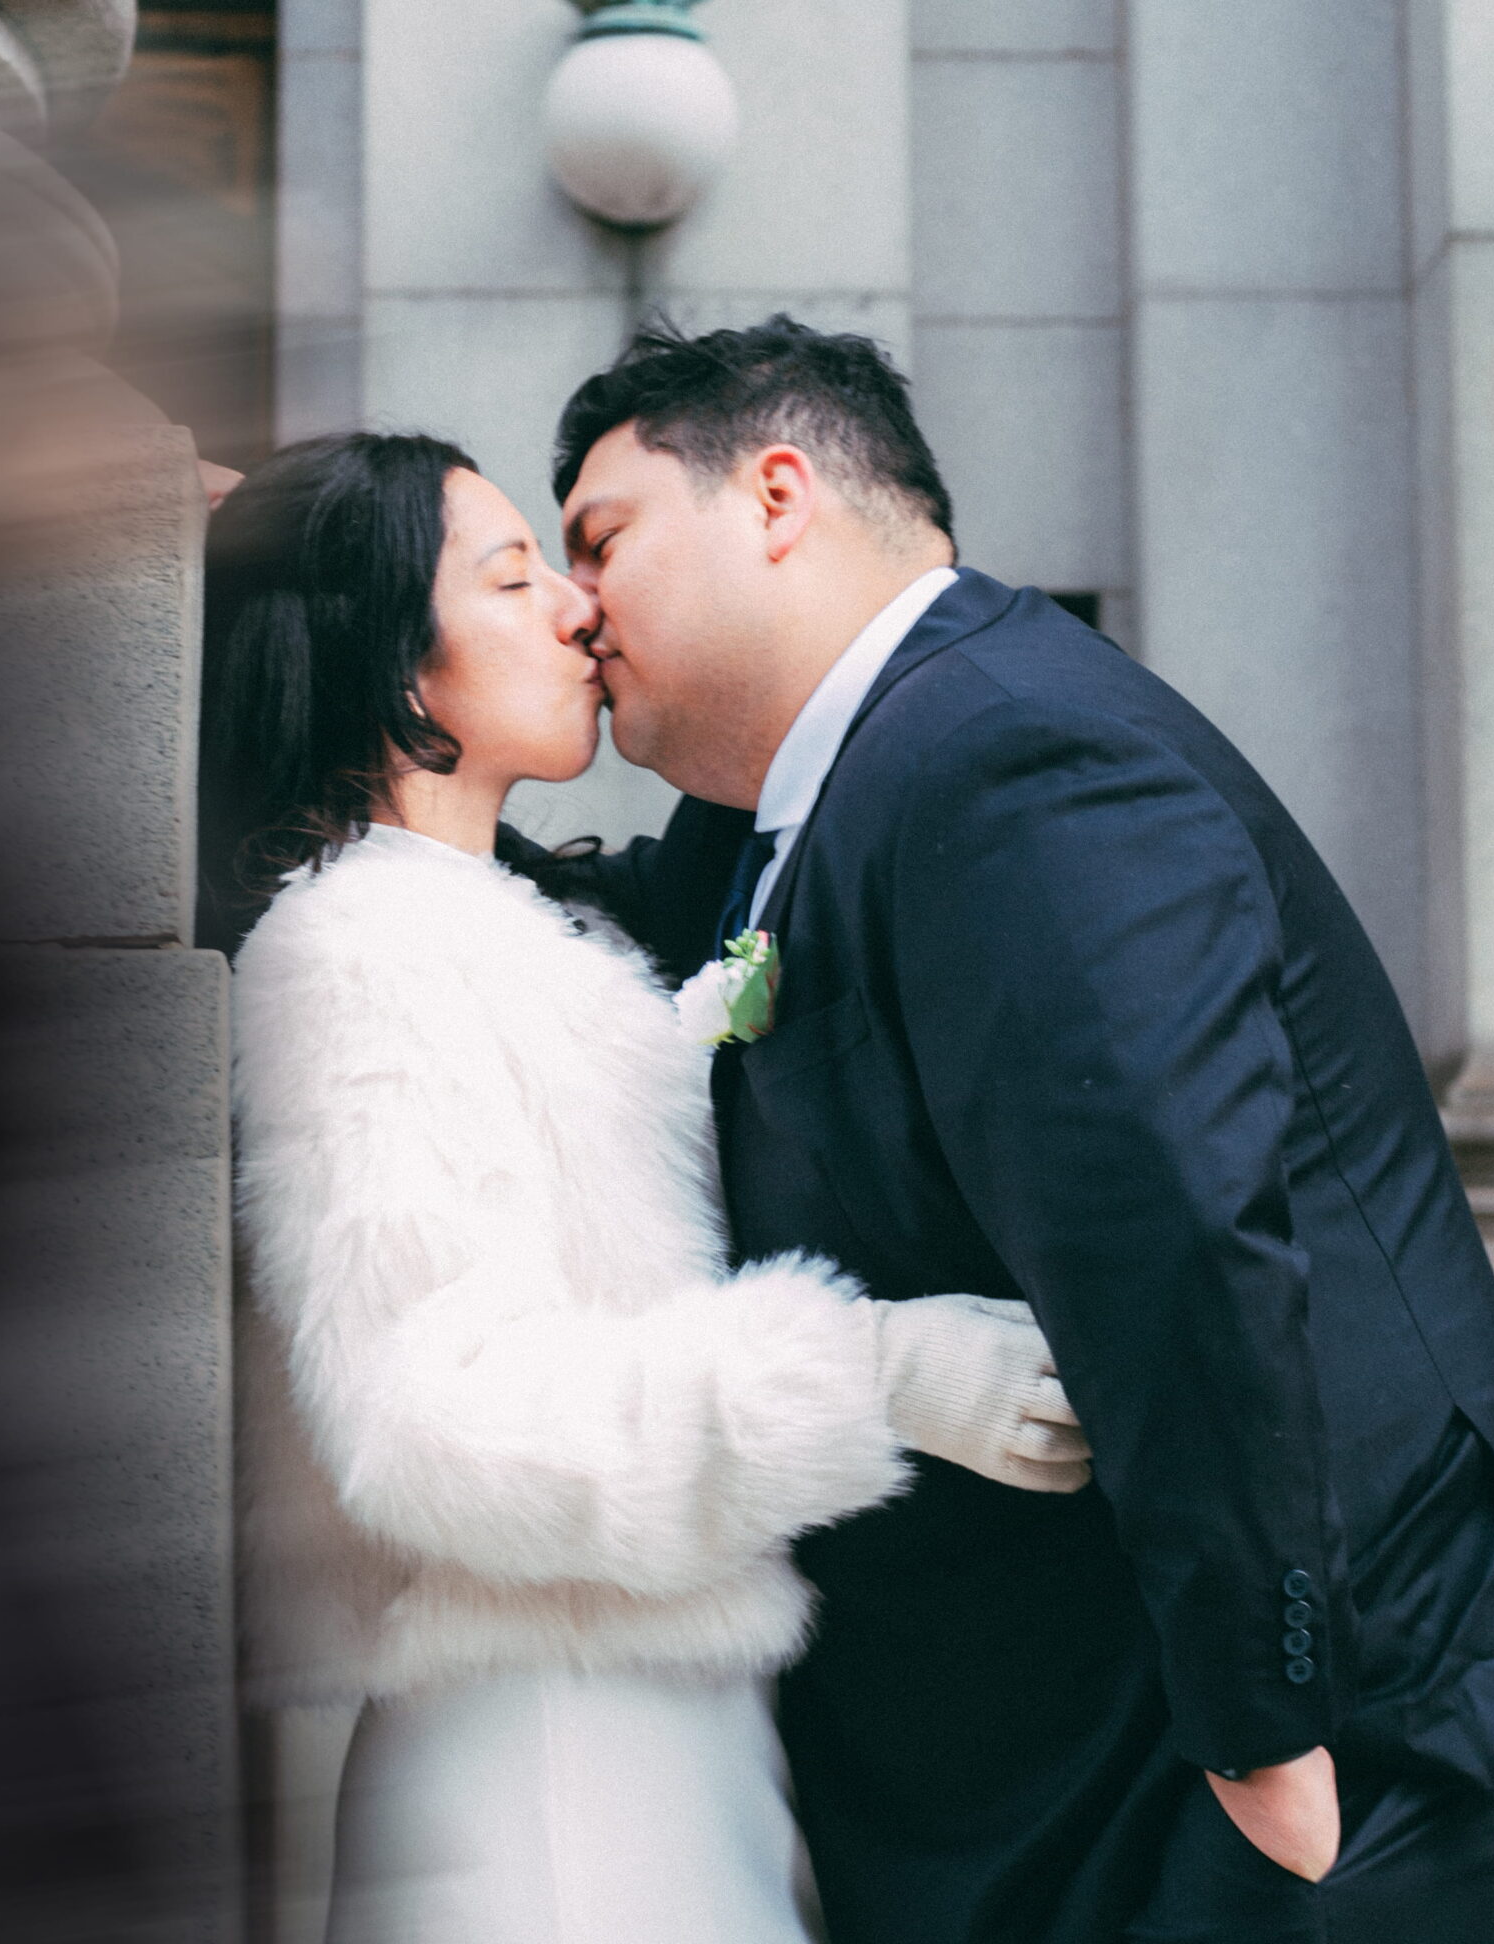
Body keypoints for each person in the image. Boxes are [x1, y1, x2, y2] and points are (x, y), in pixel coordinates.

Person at [551, 314, 1494, 1944]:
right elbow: (564, 909)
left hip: (1305, 1768)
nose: (577, 607)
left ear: (777, 495)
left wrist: (1264, 1725)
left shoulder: (1005, 746)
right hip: (1068, 1766)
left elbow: (1179, 1229)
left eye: (602, 538)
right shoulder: (784, 810)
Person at [197, 429, 1090, 1944]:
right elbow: (441, 1424)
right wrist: (879, 1375)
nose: (578, 608)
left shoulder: (498, 927)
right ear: (398, 673)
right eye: (513, 578)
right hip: (550, 1764)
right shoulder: (360, 952)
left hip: (662, 1736)